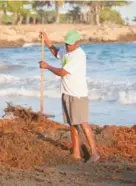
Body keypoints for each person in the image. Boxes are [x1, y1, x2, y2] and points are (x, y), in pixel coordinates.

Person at [39, 30, 100, 162]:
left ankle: (94, 153)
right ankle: (76, 153)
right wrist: (47, 39)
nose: (67, 46)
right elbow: (56, 53)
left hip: (77, 94)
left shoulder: (78, 55)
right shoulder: (67, 51)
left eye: (70, 44)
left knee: (83, 123)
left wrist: (47, 66)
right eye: (66, 43)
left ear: (77, 43)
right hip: (67, 92)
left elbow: (62, 72)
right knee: (72, 125)